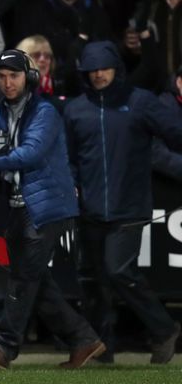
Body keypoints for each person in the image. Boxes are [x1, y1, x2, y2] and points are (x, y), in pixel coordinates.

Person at [0, 49, 105, 370]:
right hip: (20, 204)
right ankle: (83, 339)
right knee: (34, 279)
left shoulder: (45, 112)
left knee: (23, 277)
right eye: (1, 77)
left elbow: (29, 155)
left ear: (28, 78)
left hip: (48, 205)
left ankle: (4, 347)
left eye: (13, 76)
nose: (7, 83)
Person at [63, 40, 182, 364]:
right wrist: (71, 185)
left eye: (104, 68)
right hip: (88, 209)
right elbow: (69, 158)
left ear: (117, 68)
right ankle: (102, 348)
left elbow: (176, 134)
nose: (99, 75)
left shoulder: (141, 102)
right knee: (92, 280)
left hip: (129, 207)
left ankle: (163, 330)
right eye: (92, 70)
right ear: (83, 73)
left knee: (118, 271)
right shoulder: (74, 109)